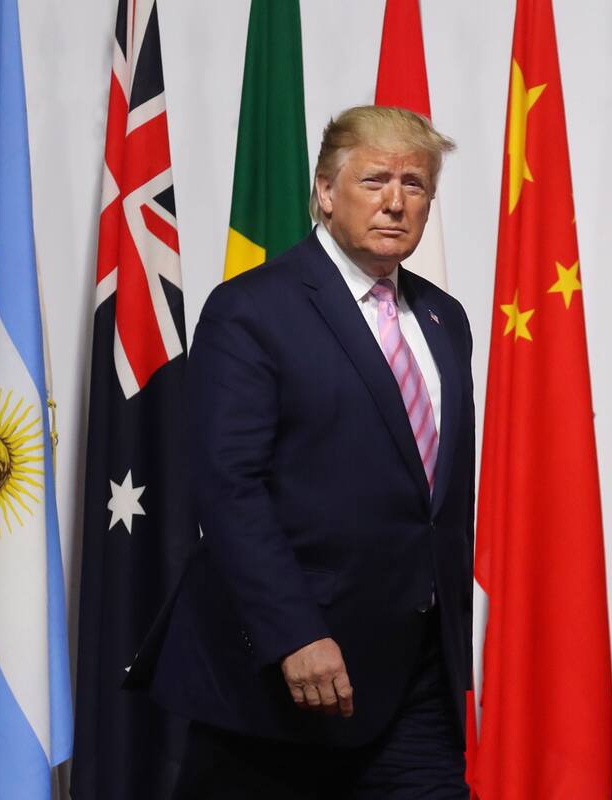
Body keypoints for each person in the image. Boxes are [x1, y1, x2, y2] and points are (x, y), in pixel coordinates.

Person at [132, 106, 474, 799]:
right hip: (282, 682)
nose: (395, 201)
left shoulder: (444, 319)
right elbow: (230, 487)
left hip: (415, 674)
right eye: (374, 178)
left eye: (415, 185)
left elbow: (432, 503)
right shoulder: (252, 310)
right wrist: (293, 635)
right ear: (324, 192)